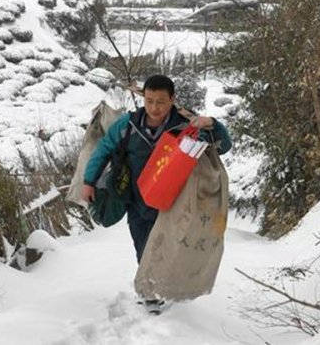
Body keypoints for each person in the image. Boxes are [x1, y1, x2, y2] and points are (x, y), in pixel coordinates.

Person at [81, 75, 232, 308]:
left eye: (160, 101)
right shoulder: (128, 125)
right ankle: (150, 293)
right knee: (143, 247)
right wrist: (89, 181)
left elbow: (223, 145)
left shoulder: (187, 124)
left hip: (175, 203)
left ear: (173, 99)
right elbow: (104, 149)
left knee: (169, 246)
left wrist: (212, 122)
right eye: (149, 101)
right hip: (137, 200)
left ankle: (164, 289)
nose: (154, 108)